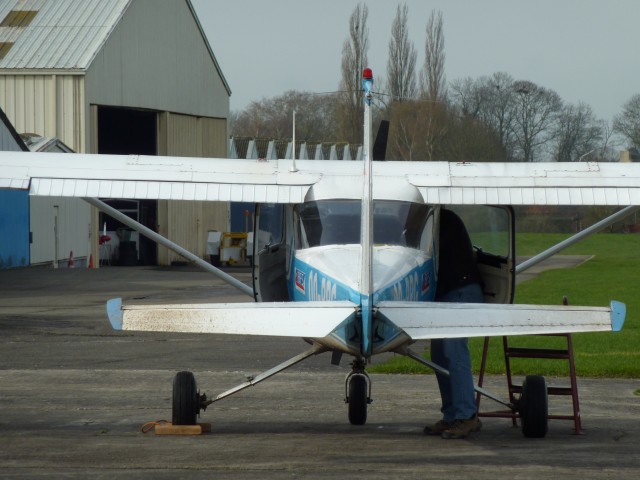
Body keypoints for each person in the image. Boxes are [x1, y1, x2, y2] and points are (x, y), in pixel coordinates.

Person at [424, 209, 483, 439]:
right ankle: (451, 416)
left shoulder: (443, 220)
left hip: (461, 291)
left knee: (454, 350)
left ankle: (467, 416)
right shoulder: (431, 220)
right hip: (445, 295)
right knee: (438, 355)